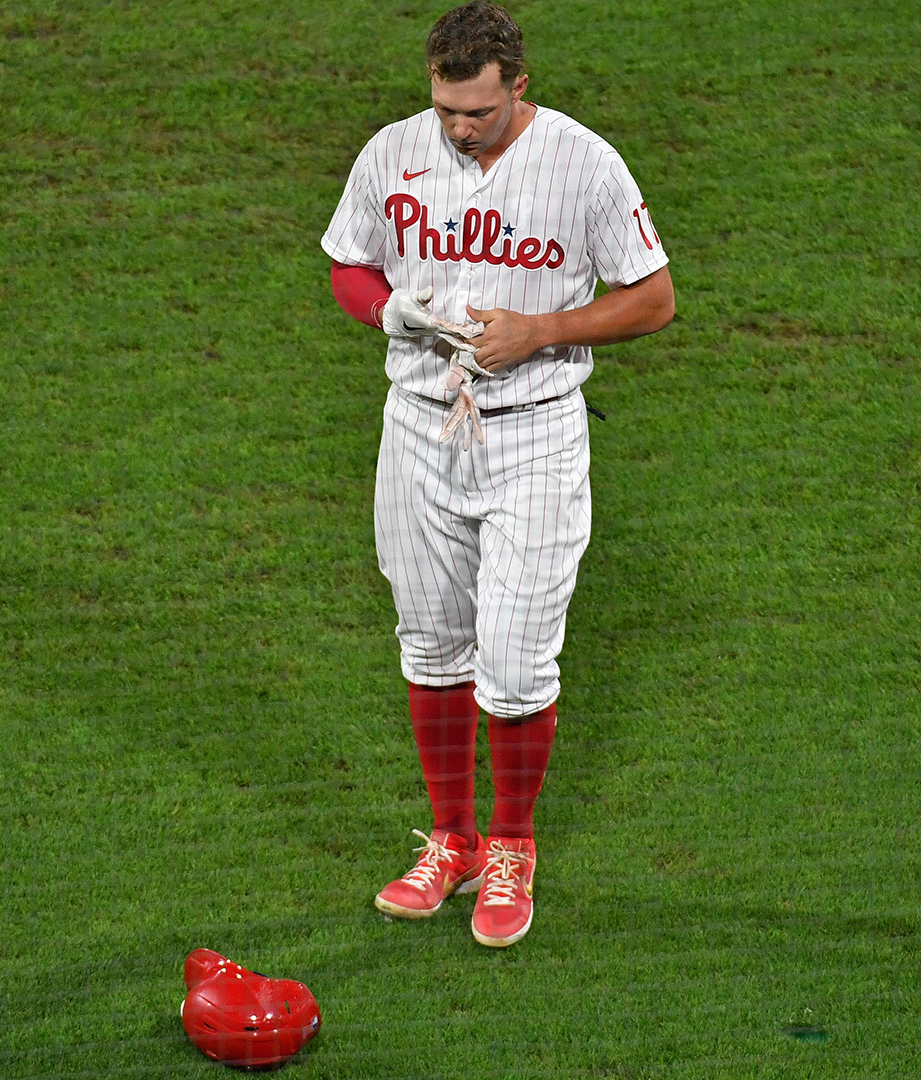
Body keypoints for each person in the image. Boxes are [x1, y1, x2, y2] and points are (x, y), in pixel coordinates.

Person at [320, 0, 673, 948]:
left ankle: (512, 845)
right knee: (431, 647)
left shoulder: (583, 163)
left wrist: (543, 329)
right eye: (445, 110)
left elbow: (655, 298)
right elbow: (348, 265)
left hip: (535, 434)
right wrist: (392, 312)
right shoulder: (394, 151)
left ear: (520, 87)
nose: (458, 128)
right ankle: (452, 839)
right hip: (417, 430)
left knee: (515, 664)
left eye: (477, 111)